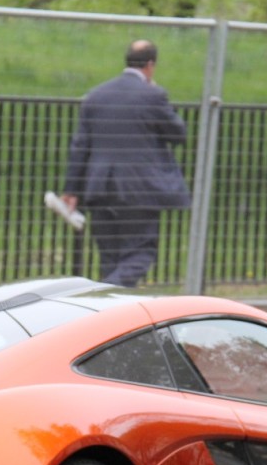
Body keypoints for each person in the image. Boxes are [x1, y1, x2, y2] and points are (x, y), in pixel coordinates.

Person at [60, 39, 191, 287]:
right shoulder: (152, 95)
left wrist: (71, 189)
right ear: (151, 65)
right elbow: (178, 134)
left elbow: (80, 146)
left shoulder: (96, 96)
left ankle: (109, 305)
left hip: (99, 189)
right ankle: (106, 293)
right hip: (138, 191)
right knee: (141, 253)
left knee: (110, 258)